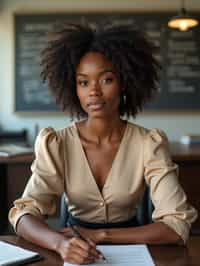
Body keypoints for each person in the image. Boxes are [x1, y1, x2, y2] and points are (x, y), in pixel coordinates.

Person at [9, 22, 197, 265]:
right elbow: (23, 216)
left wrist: (101, 235)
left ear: (125, 82)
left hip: (134, 247)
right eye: (83, 82)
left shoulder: (148, 143)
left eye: (106, 79)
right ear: (73, 88)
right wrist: (61, 244)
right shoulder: (56, 143)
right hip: (73, 249)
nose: (94, 92)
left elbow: (177, 224)